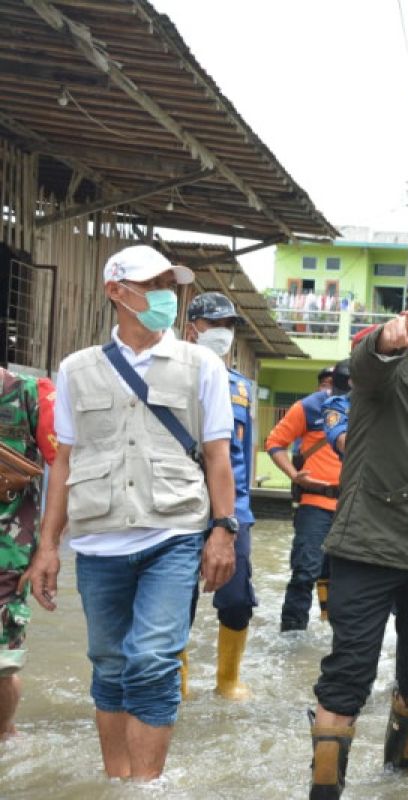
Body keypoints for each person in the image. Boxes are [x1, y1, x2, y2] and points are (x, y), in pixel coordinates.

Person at [22, 244, 236, 780]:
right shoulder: (75, 370)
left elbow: (217, 458)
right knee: (111, 664)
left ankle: (147, 787)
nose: (166, 294)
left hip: (175, 532)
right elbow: (63, 464)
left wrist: (223, 531)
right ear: (116, 292)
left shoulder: (201, 365)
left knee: (154, 660)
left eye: (170, 283)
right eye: (153, 284)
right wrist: (48, 547)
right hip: (98, 543)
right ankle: (116, 782)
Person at [308, 262, 408, 799]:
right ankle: (324, 792)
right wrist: (386, 339)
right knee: (349, 674)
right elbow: (367, 362)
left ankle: (399, 785)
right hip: (371, 544)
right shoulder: (390, 364)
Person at [180, 292, 259, 701]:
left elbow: (244, 457)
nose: (223, 333)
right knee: (175, 601)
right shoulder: (174, 376)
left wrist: (238, 515)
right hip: (180, 506)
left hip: (234, 512)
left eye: (229, 326)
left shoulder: (242, 389)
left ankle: (228, 680)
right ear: (193, 328)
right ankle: (179, 685)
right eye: (215, 325)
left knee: (236, 601)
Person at [0, 366, 56, 738]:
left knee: (1, 666)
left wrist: (47, 550)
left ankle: (4, 736)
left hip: (7, 558)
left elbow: (67, 470)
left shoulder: (31, 394)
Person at [266, 366, 344, 631]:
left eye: (335, 383)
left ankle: (334, 628)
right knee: (304, 571)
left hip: (352, 507)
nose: (329, 388)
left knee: (346, 576)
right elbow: (275, 442)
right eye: (326, 383)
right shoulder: (309, 407)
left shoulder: (364, 406)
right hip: (315, 504)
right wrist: (295, 475)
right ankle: (292, 631)